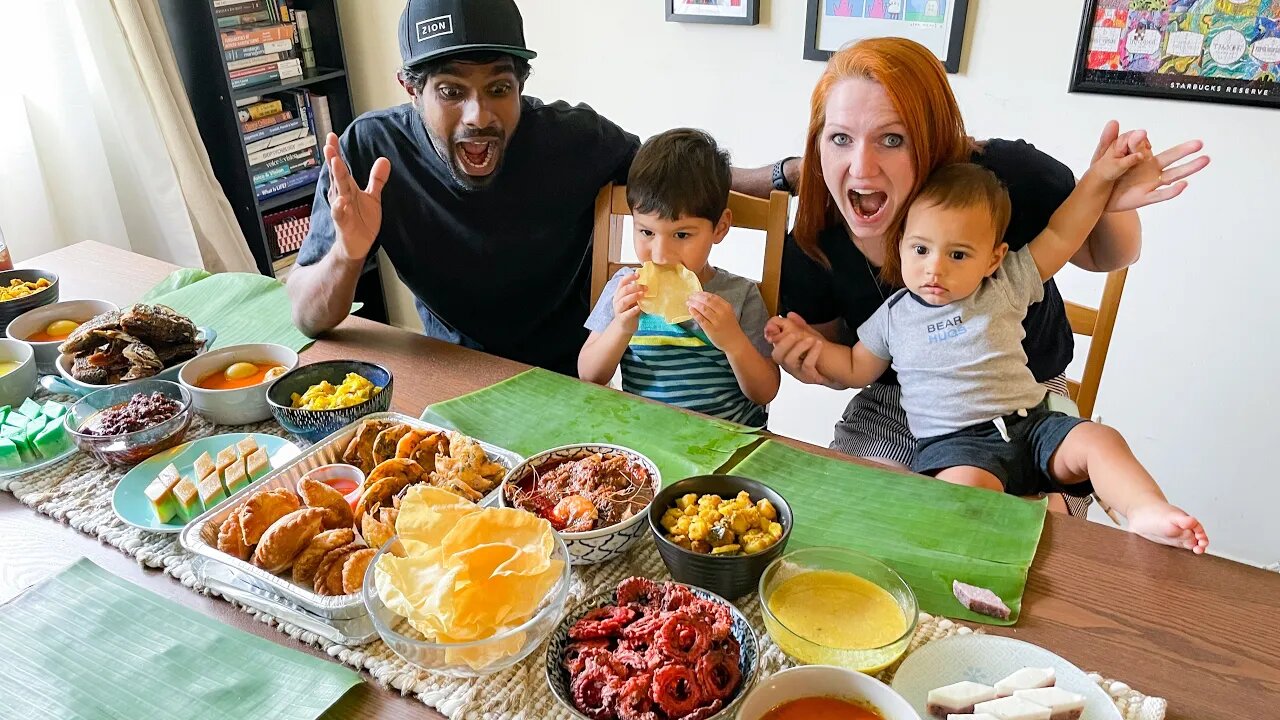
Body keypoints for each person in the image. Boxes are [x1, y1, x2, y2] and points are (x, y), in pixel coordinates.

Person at [769, 38, 1209, 472]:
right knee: (865, 512)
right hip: (899, 400)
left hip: (1024, 397)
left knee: (1029, 526)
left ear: (935, 138)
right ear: (817, 143)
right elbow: (846, 361)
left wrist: (1107, 198)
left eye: (892, 139)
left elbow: (1106, 255)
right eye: (841, 137)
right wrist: (813, 362)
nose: (862, 167)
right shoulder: (814, 237)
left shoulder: (1006, 180)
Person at [287, 0, 788, 376]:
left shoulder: (574, 139)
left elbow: (671, 182)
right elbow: (309, 319)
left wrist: (783, 175)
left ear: (521, 85)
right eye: (451, 91)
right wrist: (347, 255)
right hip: (450, 368)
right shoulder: (371, 155)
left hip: (565, 376)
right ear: (410, 88)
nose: (479, 115)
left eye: (499, 89)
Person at [767, 160, 1209, 554]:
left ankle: (1145, 510)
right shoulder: (892, 317)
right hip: (958, 445)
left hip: (1033, 423)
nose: (934, 269)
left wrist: (1099, 177)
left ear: (994, 258)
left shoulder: (1007, 283)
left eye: (958, 254)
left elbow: (1063, 232)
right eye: (921, 250)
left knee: (1100, 440)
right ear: (901, 246)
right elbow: (854, 366)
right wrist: (812, 345)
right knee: (963, 505)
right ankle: (995, 555)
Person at [579, 129, 779, 426]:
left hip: (727, 441)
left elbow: (764, 392)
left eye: (682, 234)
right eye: (646, 232)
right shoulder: (624, 289)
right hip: (646, 439)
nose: (661, 254)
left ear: (720, 228)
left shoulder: (739, 295)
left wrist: (733, 341)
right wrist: (621, 327)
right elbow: (589, 374)